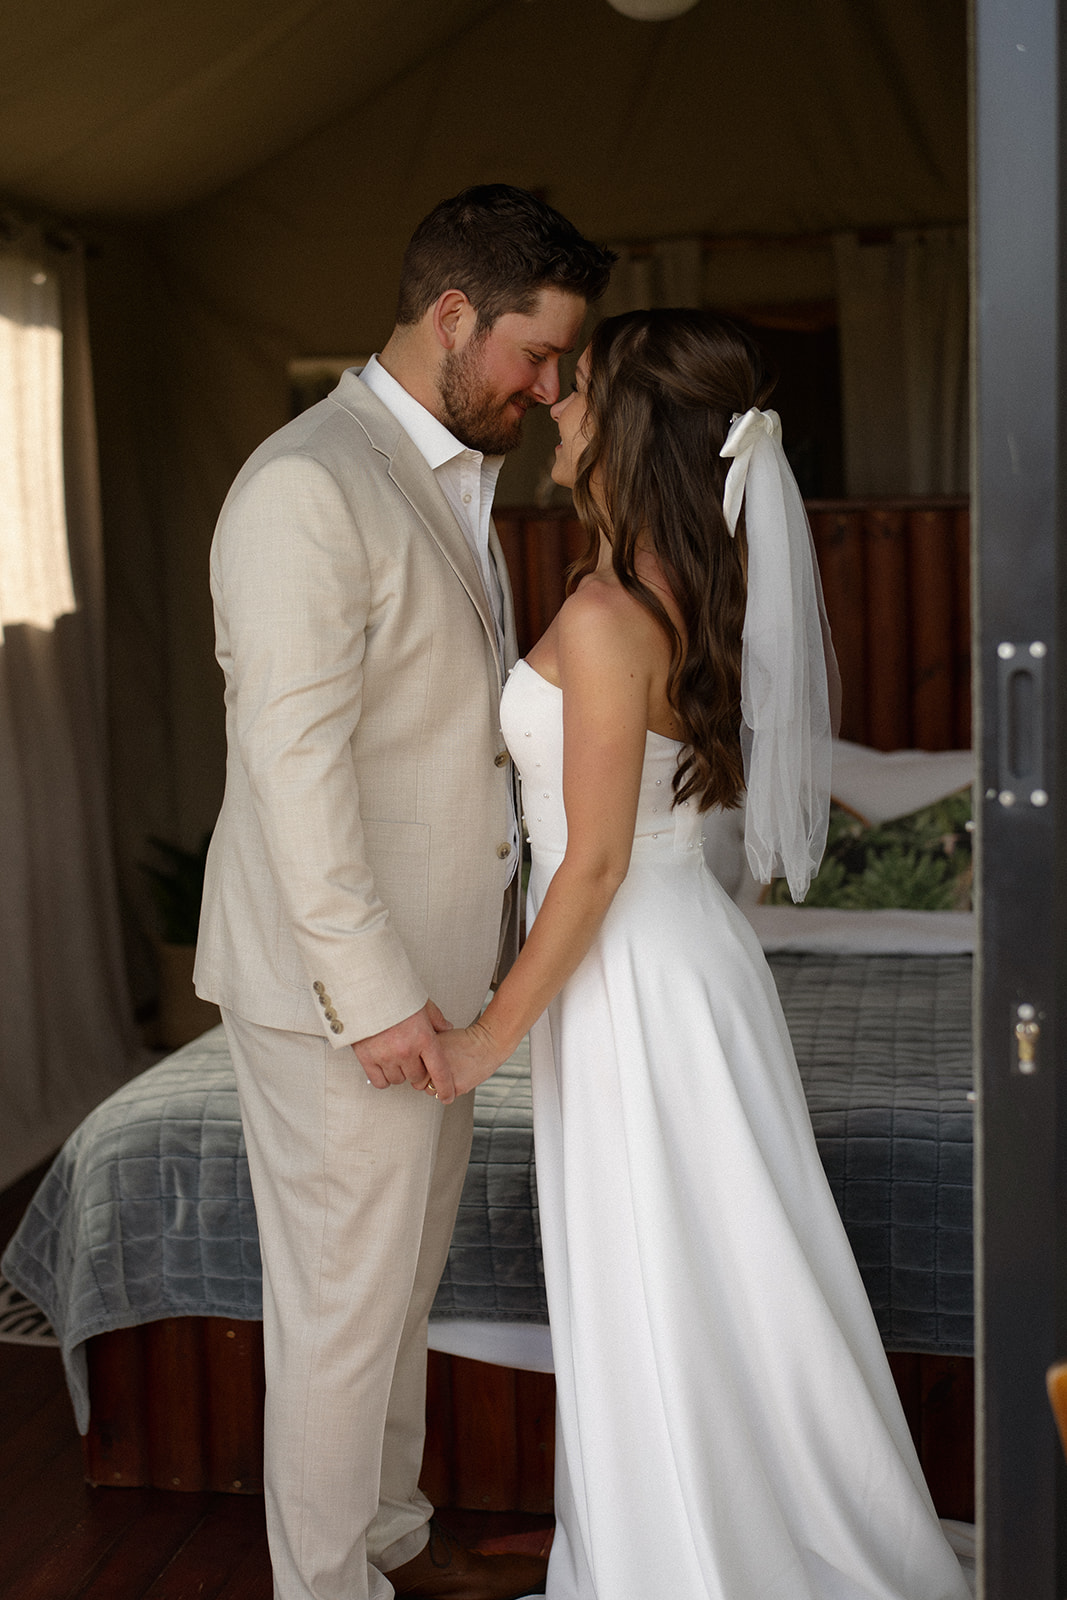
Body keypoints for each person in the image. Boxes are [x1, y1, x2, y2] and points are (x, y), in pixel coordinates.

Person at [426, 309, 972, 1600]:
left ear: (628, 430)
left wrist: (482, 1040)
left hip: (637, 975)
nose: (556, 405)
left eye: (580, 393)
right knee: (688, 1268)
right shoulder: (658, 584)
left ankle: (681, 1553)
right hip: (670, 964)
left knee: (665, 1273)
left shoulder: (617, 614)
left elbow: (598, 861)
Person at [193, 185, 615, 1600]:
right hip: (344, 1002)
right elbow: (290, 779)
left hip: (441, 982)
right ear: (453, 317)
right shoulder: (307, 486)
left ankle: (386, 1547)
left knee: (390, 1303)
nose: (548, 387)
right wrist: (375, 1000)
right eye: (537, 355)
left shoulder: (449, 475)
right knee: (335, 1318)